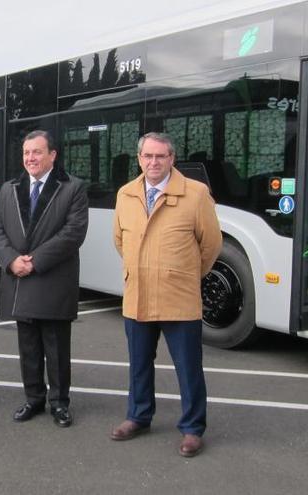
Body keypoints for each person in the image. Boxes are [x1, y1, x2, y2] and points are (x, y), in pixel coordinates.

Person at [110, 132, 222, 457]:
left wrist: (184, 275)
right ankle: (139, 416)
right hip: (138, 295)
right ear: (139, 159)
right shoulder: (126, 194)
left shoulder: (197, 194)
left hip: (179, 297)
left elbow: (211, 245)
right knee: (138, 364)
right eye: (147, 156)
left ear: (172, 158)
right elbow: (120, 240)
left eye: (160, 156)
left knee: (188, 367)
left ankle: (192, 429)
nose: (153, 162)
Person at [0, 130, 88, 428]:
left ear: (52, 155)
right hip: (18, 278)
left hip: (52, 278)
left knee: (56, 347)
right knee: (28, 346)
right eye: (26, 153)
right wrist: (10, 260)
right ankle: (33, 398)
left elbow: (73, 233)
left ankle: (59, 403)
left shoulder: (72, 187)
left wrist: (35, 262)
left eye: (37, 152)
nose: (30, 158)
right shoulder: (8, 189)